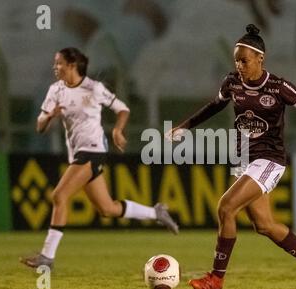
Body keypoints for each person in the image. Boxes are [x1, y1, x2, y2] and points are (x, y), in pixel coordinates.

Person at [167, 25, 296, 289]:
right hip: (244, 159)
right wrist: (185, 126)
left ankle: (216, 279)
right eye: (236, 61)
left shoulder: (278, 87)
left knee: (226, 207)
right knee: (264, 226)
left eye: (245, 60)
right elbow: (214, 106)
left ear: (260, 59)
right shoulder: (232, 82)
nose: (240, 65)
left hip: (270, 159)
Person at [20, 47, 179, 269]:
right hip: (77, 154)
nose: (55, 67)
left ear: (72, 65)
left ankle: (47, 257)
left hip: (93, 150)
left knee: (59, 196)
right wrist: (50, 115)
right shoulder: (55, 91)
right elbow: (39, 126)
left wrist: (117, 131)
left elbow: (122, 109)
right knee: (107, 209)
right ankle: (156, 212)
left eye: (59, 63)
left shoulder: (93, 88)